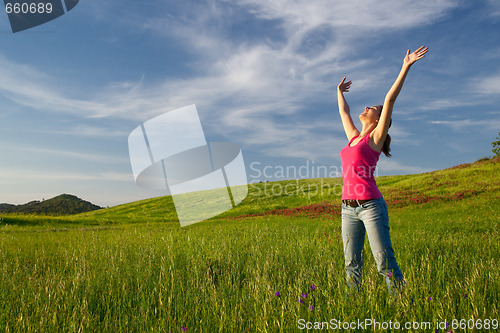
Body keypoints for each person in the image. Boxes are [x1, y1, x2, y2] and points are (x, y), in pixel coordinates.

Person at [337, 46, 429, 291]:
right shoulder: (354, 138)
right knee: (351, 264)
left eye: (372, 109)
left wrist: (405, 66)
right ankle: (351, 308)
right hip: (347, 208)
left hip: (370, 206)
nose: (367, 107)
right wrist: (339, 93)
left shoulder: (374, 139)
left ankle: (401, 306)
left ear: (379, 121)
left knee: (384, 262)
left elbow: (389, 99)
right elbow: (344, 112)